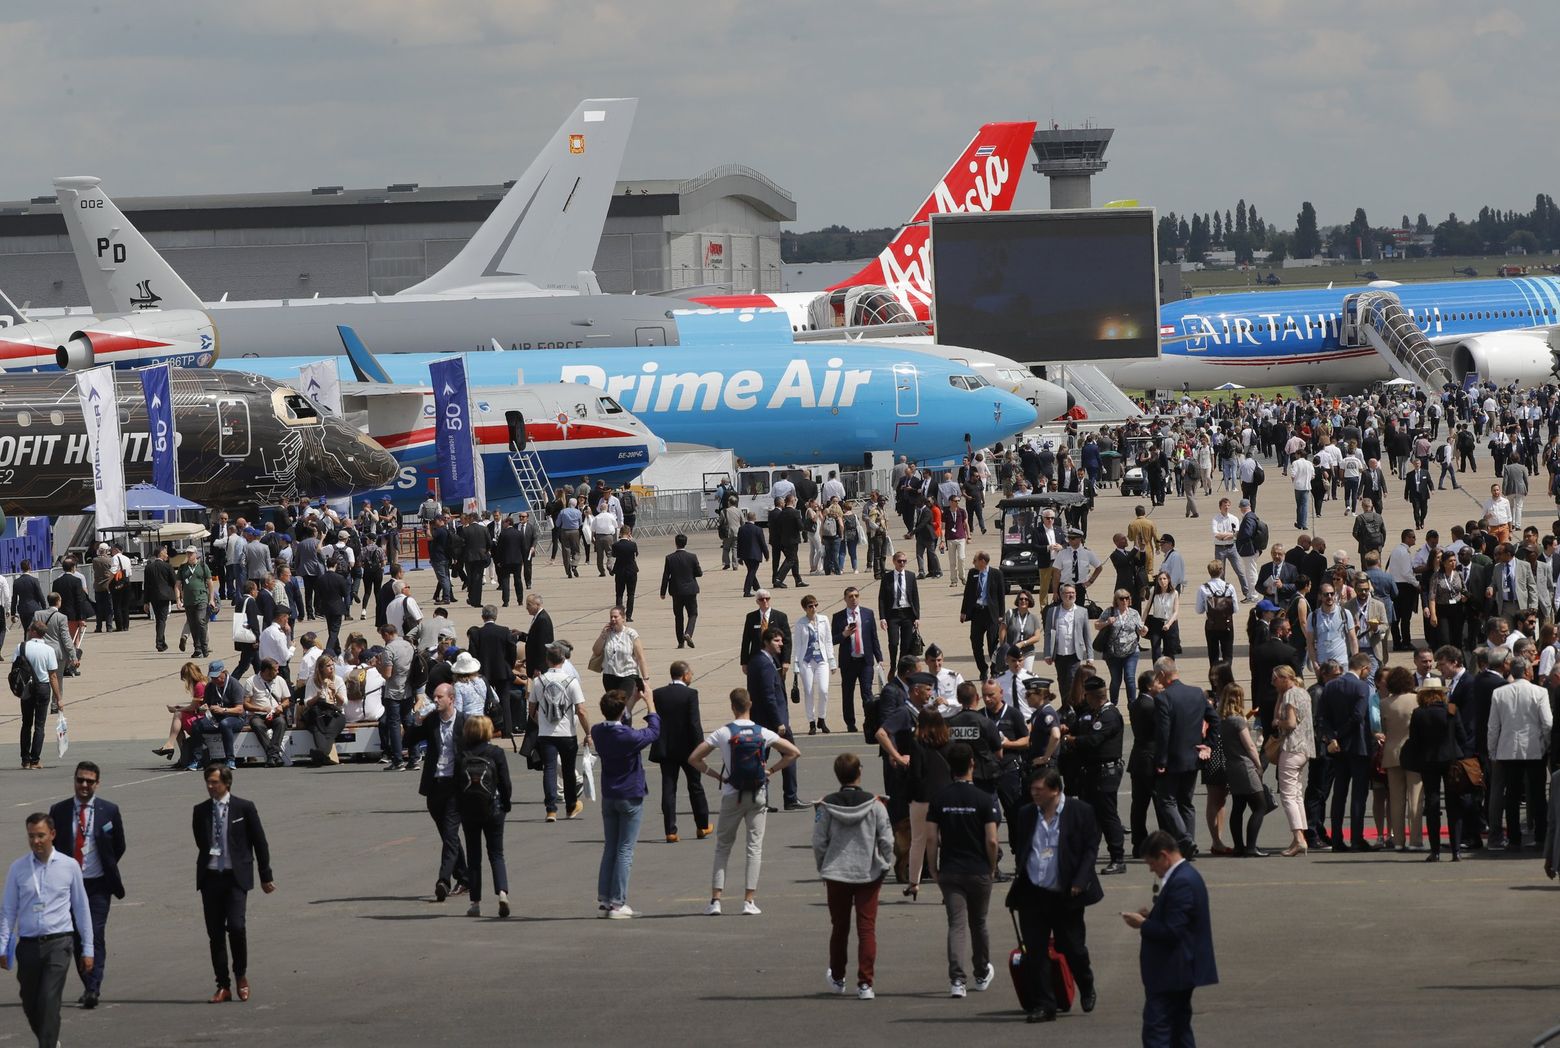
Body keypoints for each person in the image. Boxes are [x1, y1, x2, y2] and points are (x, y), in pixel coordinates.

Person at [690, 688, 800, 916]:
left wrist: (717, 775)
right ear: (750, 704)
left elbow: (694, 758)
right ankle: (749, 900)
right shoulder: (763, 732)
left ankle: (716, 900)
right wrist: (770, 770)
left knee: (723, 847)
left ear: (732, 706)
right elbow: (793, 753)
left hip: (732, 792)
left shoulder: (723, 733)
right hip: (758, 793)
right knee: (754, 848)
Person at [1004, 767, 1101, 1024]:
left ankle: (1086, 983)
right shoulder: (1026, 814)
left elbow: (1090, 849)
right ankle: (1045, 1004)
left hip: (1066, 894)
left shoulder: (1081, 812)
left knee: (1071, 947)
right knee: (1035, 952)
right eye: (1032, 789)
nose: (1033, 794)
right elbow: (1022, 848)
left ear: (1055, 790)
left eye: (1039, 790)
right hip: (1033, 894)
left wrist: (1081, 880)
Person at [0, 812, 94, 1046]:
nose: (36, 841)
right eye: (31, 836)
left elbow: (81, 908)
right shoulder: (18, 868)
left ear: (52, 834)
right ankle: (50, 1039)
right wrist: (2, 946)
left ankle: (47, 1044)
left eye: (40, 835)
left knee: (49, 999)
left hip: (59, 943)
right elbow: (8, 911)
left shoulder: (69, 866)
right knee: (31, 1003)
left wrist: (88, 949)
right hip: (29, 945)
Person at [1122, 831, 1218, 1048]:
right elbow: (1178, 919)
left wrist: (1143, 924)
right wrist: (1153, 916)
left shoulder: (1181, 882)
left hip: (1173, 971)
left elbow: (1173, 932)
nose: (1151, 869)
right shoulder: (1185, 876)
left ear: (1164, 856)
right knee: (1179, 1030)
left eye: (1151, 863)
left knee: (1158, 1030)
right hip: (1180, 970)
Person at [815, 751, 894, 1000]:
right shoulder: (875, 804)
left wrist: (823, 865)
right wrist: (884, 863)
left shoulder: (826, 805)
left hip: (837, 872)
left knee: (839, 927)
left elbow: (819, 841)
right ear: (860, 772)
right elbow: (887, 839)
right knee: (866, 928)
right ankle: (865, 983)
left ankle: (838, 977)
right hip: (867, 872)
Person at [192, 765, 275, 1003]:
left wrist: (265, 874)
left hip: (235, 877)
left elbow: (260, 842)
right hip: (210, 878)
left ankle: (241, 975)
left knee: (236, 927)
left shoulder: (244, 808)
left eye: (214, 782)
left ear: (226, 783)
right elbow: (201, 841)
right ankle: (223, 985)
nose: (210, 786)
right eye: (208, 782)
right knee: (215, 934)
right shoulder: (200, 811)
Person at [44, 760, 122, 1012]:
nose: (84, 785)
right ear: (75, 781)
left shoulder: (109, 810)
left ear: (97, 783)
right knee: (76, 938)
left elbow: (118, 845)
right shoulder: (59, 810)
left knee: (95, 934)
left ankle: (92, 988)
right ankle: (88, 982)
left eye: (89, 781)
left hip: (98, 885)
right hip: (68, 887)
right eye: (80, 780)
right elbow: (52, 847)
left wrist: (105, 866)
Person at [926, 742, 999, 998]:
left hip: (950, 869)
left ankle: (957, 979)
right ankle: (980, 972)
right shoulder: (984, 798)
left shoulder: (940, 798)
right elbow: (992, 839)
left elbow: (932, 838)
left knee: (956, 924)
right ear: (972, 764)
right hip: (977, 868)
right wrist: (991, 867)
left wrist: (933, 867)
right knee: (978, 922)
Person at [589, 687, 661, 918]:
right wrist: (650, 704)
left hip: (609, 793)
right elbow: (653, 732)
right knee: (625, 849)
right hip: (629, 793)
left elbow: (619, 718)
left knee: (610, 846)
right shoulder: (628, 737)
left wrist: (630, 702)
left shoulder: (598, 731)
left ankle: (605, 900)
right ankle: (618, 902)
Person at [405, 683, 469, 899]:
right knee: (448, 836)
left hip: (455, 786)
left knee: (450, 833)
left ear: (451, 699)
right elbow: (408, 740)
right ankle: (465, 878)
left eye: (439, 697)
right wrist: (417, 719)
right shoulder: (432, 721)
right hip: (434, 786)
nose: (435, 700)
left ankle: (443, 880)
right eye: (434, 697)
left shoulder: (464, 722)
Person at [1403, 674, 1469, 861]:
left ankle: (1435, 850)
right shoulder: (1451, 709)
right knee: (1453, 804)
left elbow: (1414, 740)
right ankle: (1456, 850)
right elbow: (1462, 736)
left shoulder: (1419, 713)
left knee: (1432, 805)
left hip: (1428, 760)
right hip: (1451, 760)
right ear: (1441, 694)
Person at [1153, 657, 1214, 856]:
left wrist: (1160, 760)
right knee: (1186, 802)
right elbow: (1215, 720)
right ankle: (1189, 845)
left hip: (1172, 758)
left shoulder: (1164, 698)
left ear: (1162, 674)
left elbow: (1163, 732)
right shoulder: (1197, 693)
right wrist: (1208, 744)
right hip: (1193, 756)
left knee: (1167, 801)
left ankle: (1185, 839)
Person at [455, 715, 512, 918]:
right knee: (496, 853)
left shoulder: (462, 754)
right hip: (493, 807)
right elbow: (505, 782)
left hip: (469, 810)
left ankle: (475, 902)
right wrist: (506, 803)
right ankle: (502, 892)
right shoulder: (496, 753)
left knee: (474, 856)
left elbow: (456, 785)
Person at [528, 644, 591, 823]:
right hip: (567, 732)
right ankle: (571, 806)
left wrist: (539, 722)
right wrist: (588, 732)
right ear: (563, 660)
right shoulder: (571, 681)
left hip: (546, 733)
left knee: (549, 769)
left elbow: (531, 708)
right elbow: (581, 710)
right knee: (569, 769)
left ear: (547, 660)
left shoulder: (539, 681)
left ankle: (551, 809)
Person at [1320, 652, 1375, 851]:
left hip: (1337, 748)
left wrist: (1332, 737)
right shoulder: (1361, 686)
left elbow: (1322, 716)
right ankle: (1357, 838)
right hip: (1357, 745)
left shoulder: (1330, 685)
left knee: (1339, 793)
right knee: (1358, 795)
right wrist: (1340, 734)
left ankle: (1336, 839)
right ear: (1364, 668)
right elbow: (1358, 717)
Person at [651, 662, 710, 842]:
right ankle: (702, 825)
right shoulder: (691, 694)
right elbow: (694, 723)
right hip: (688, 749)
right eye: (690, 673)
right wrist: (701, 747)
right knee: (695, 786)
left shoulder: (658, 694)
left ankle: (670, 830)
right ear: (684, 676)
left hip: (666, 748)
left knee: (668, 788)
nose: (691, 676)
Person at [746, 627, 804, 810]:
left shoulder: (763, 660)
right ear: (766, 642)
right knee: (789, 753)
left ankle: (764, 800)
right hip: (771, 722)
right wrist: (779, 721)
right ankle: (790, 798)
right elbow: (768, 695)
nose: (781, 644)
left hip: (766, 720)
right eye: (777, 641)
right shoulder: (763, 663)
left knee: (761, 759)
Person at [1218, 683, 1267, 856]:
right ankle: (1251, 846)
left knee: (1238, 806)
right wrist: (1259, 765)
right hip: (1244, 766)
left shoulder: (1223, 720)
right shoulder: (1238, 721)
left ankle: (1239, 846)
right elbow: (1250, 747)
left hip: (1231, 766)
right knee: (1260, 806)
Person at [1271, 665, 1314, 856]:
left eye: (1275, 679)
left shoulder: (1290, 695)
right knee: (1296, 793)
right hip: (1305, 748)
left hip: (1292, 746)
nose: (1273, 683)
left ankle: (1298, 838)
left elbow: (1290, 722)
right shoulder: (1303, 693)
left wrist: (1278, 723)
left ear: (1283, 678)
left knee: (1288, 795)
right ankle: (1300, 836)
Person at [832, 586, 881, 735]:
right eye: (850, 597)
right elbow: (833, 640)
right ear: (845, 599)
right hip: (849, 660)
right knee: (848, 693)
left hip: (865, 660)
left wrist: (879, 658)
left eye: (856, 596)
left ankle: (869, 720)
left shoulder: (867, 614)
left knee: (867, 692)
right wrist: (845, 634)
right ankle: (850, 723)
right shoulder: (838, 616)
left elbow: (874, 637)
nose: (854, 599)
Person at [16, 621, 62, 771]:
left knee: (26, 723)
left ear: (34, 632)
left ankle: (25, 759)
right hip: (42, 687)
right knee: (40, 725)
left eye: (30, 629)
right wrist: (58, 698)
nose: (28, 631)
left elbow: (15, 668)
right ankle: (35, 760)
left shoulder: (21, 647)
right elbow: (53, 676)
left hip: (27, 687)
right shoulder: (48, 650)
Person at [1095, 588, 1148, 707]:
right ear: (1116, 600)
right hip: (1113, 653)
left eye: (1127, 598)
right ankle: (1113, 704)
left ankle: (1132, 704)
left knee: (1130, 678)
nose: (1124, 601)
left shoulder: (1134, 613)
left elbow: (1140, 630)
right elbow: (1097, 625)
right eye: (1121, 598)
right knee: (1116, 680)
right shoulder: (1110, 611)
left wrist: (1144, 631)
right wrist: (1107, 623)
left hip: (1131, 651)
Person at [793, 595, 836, 734]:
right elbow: (798, 645)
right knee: (809, 691)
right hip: (806, 660)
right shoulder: (800, 623)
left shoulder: (824, 620)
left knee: (823, 690)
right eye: (810, 606)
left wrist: (832, 660)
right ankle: (811, 722)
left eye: (815, 605)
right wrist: (796, 665)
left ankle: (821, 719)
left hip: (821, 659)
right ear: (805, 608)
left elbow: (828, 641)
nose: (814, 608)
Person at [960, 551, 1005, 679]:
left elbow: (1001, 596)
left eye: (975, 561)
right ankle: (982, 668)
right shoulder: (973, 573)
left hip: (991, 614)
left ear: (983, 562)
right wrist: (963, 612)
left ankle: (994, 669)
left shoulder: (996, 574)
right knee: (975, 643)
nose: (973, 563)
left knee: (992, 644)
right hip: (977, 613)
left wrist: (1001, 615)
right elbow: (967, 593)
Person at [1042, 583, 1090, 699]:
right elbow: (1048, 633)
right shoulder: (1052, 612)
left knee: (1072, 680)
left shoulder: (1082, 611)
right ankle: (1066, 707)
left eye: (1073, 593)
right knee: (1062, 681)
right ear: (1061, 595)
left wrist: (1090, 655)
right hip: (1059, 654)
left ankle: (1071, 707)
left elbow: (1086, 634)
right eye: (1068, 593)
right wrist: (1047, 653)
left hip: (1075, 654)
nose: (1070, 595)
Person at [592, 606, 648, 700]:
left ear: (623, 618)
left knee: (622, 704)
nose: (613, 619)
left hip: (628, 675)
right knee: (613, 706)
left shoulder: (631, 634)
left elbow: (640, 658)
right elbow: (596, 651)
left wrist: (646, 678)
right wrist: (603, 636)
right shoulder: (607, 633)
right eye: (611, 617)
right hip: (609, 676)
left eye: (615, 617)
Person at [877, 550, 921, 669]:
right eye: (899, 561)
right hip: (893, 614)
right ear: (894, 562)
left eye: (904, 561)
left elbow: (915, 597)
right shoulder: (887, 577)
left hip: (907, 614)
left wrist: (917, 617)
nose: (902, 563)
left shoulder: (911, 576)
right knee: (893, 642)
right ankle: (893, 665)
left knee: (906, 644)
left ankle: (901, 667)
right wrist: (882, 617)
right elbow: (881, 598)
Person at [659, 532, 703, 648]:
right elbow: (699, 573)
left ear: (676, 543)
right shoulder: (692, 557)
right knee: (693, 614)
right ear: (686, 543)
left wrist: (662, 592)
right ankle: (688, 633)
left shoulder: (670, 558)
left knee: (678, 616)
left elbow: (665, 576)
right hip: (690, 590)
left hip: (676, 591)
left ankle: (680, 642)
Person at [999, 590, 1042, 675]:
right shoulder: (1010, 613)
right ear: (1017, 601)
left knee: (1025, 676)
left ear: (1029, 602)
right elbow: (1002, 631)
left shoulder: (1033, 618)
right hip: (1011, 652)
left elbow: (1037, 637)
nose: (1023, 601)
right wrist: (1003, 648)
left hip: (1027, 652)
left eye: (1026, 599)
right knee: (1012, 676)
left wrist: (1023, 643)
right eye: (1021, 599)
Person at [145, 545, 178, 652]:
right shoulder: (167, 566)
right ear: (160, 554)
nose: (167, 555)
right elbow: (174, 582)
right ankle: (159, 642)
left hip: (154, 597)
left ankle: (162, 642)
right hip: (165, 596)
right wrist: (178, 596)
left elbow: (146, 585)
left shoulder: (149, 567)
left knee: (159, 619)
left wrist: (146, 601)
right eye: (165, 553)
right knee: (162, 620)